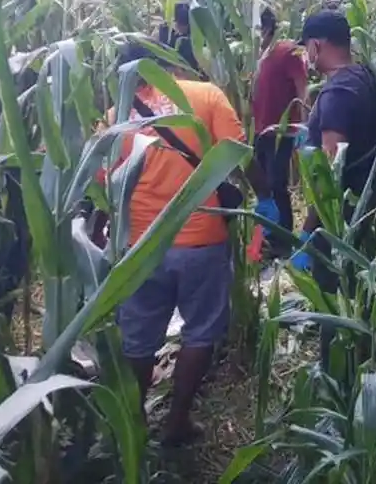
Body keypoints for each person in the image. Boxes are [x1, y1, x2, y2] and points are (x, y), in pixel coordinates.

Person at [111, 42, 274, 446]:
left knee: (138, 339)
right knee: (200, 332)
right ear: (165, 64)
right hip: (202, 238)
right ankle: (177, 422)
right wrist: (268, 197)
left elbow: (105, 182)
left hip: (142, 244)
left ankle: (133, 425)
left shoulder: (117, 115)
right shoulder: (205, 95)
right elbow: (238, 155)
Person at [289, 11, 376, 367]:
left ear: (316, 45)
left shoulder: (335, 94)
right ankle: (362, 354)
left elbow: (329, 177)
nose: (306, 55)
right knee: (356, 290)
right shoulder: (363, 76)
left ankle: (337, 371)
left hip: (338, 222)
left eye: (306, 47)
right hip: (366, 203)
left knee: (333, 298)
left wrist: (309, 231)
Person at [252, 6, 307, 258]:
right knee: (262, 185)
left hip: (282, 131)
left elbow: (302, 86)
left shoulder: (287, 51)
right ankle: (267, 237)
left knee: (276, 183)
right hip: (261, 131)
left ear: (266, 28)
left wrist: (306, 125)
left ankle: (284, 240)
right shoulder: (257, 55)